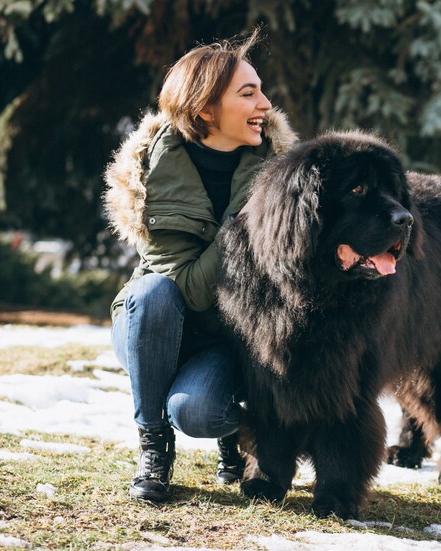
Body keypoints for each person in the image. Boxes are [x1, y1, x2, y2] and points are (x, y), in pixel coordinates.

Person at [103, 30, 297, 502]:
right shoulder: (154, 171)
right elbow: (188, 289)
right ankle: (153, 445)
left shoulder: (279, 173)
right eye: (248, 94)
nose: (266, 104)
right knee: (153, 292)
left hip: (225, 337)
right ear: (205, 109)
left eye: (261, 90)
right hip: (154, 326)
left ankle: (231, 437)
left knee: (199, 413)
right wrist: (241, 223)